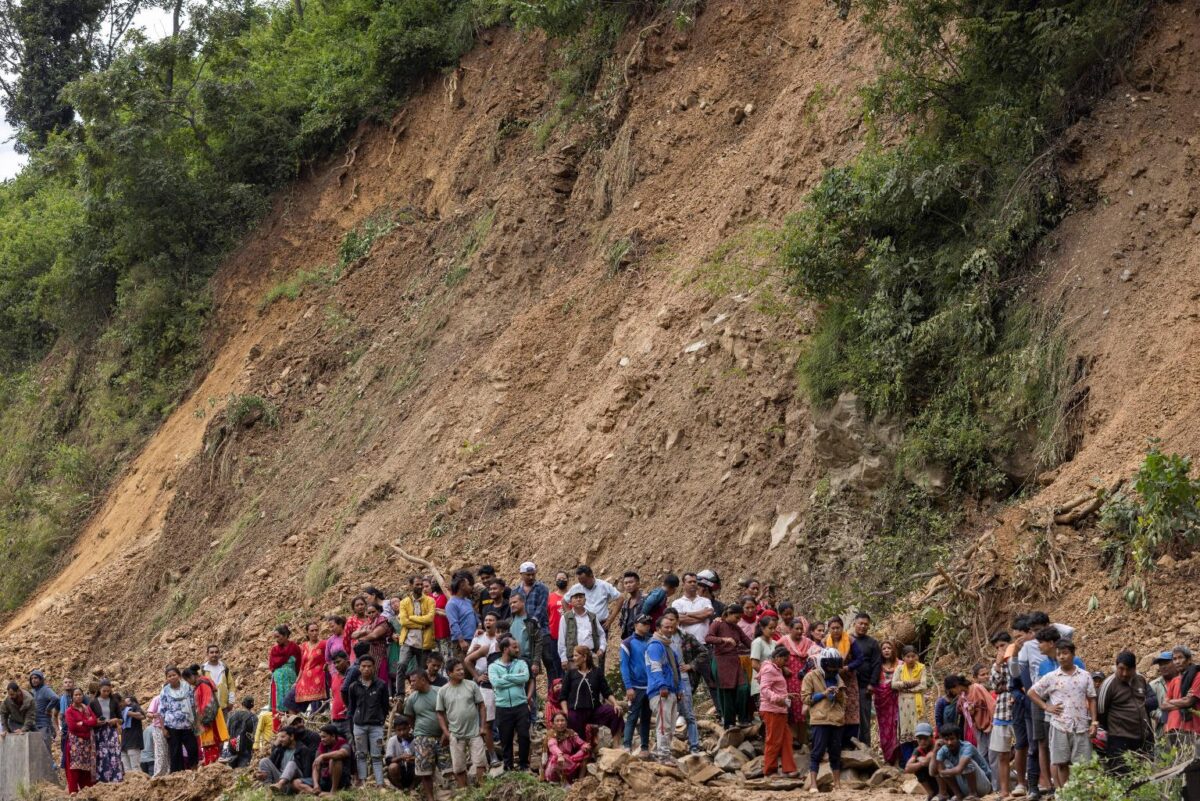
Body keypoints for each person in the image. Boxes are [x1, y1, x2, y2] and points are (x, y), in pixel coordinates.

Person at [1028, 639, 1096, 788]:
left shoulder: (1085, 675)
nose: (1061, 657)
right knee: (1062, 763)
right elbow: (1032, 692)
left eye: (1065, 653)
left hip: (1081, 726)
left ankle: (1081, 794)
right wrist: (1046, 706)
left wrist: (1094, 722)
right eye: (1058, 654)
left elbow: (1091, 699)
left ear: (1073, 654)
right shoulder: (1051, 677)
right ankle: (1067, 794)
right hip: (1060, 726)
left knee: (1082, 765)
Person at [1097, 650, 1156, 771]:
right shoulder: (1108, 684)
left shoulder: (1140, 680)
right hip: (1119, 739)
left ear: (1134, 668)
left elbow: (1152, 700)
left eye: (1128, 669)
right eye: (1121, 669)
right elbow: (1101, 712)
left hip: (1143, 737)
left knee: (1146, 774)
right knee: (1122, 775)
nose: (1124, 673)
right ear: (1116, 666)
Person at [436, 658, 487, 788]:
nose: (461, 672)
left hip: (475, 731)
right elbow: (440, 713)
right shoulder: (443, 691)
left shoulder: (471, 685)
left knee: (480, 762)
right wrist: (446, 733)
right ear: (449, 673)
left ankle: (483, 790)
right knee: (458, 767)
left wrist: (482, 726)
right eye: (458, 670)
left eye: (462, 669)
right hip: (456, 734)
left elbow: (481, 706)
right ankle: (464, 792)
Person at [802, 647, 846, 792]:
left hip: (836, 720)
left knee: (835, 753)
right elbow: (805, 699)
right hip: (820, 720)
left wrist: (838, 694)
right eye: (831, 668)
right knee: (817, 752)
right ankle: (813, 785)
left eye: (835, 668)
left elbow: (843, 701)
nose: (833, 670)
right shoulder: (811, 676)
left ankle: (837, 784)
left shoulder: (838, 678)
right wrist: (823, 694)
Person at [661, 608, 704, 754]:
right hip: (667, 680)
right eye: (667, 620)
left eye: (673, 620)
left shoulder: (686, 637)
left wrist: (691, 665)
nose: (670, 623)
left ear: (678, 621)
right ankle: (667, 747)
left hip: (684, 679)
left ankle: (694, 746)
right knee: (668, 714)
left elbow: (704, 652)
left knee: (689, 713)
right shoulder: (659, 639)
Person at [1162, 643, 1200, 801]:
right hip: (1173, 730)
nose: (1177, 662)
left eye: (1180, 658)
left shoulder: (1197, 676)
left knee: (1191, 770)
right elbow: (1163, 705)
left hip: (1191, 730)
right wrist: (1181, 701)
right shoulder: (1174, 681)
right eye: (1174, 658)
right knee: (1174, 768)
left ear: (1189, 659)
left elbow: (1190, 701)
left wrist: (1176, 703)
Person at [347, 654, 390, 787]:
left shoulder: (381, 685)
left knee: (376, 756)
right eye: (363, 666)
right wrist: (354, 723)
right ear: (359, 668)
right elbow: (352, 708)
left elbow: (385, 706)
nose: (366, 669)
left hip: (376, 726)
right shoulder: (353, 686)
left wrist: (380, 719)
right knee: (360, 755)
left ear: (374, 668)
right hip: (359, 726)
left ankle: (380, 784)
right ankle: (363, 784)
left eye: (369, 666)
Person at [706, 604, 753, 728]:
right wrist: (724, 639)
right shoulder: (717, 623)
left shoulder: (736, 628)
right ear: (729, 614)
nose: (738, 620)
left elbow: (748, 642)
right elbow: (708, 638)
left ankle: (743, 718)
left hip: (734, 661)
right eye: (736, 617)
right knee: (727, 693)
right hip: (721, 661)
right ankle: (729, 723)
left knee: (743, 688)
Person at [490, 634, 532, 771]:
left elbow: (525, 677)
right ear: (505, 649)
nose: (518, 650)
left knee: (524, 736)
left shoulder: (521, 663)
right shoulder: (493, 666)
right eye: (514, 647)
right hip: (503, 707)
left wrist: (506, 677)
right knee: (506, 739)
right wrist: (515, 679)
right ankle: (508, 767)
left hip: (521, 705)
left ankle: (524, 765)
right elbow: (496, 682)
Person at [560, 645, 622, 738]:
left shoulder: (597, 672)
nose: (573, 658)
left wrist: (615, 704)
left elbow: (606, 691)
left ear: (584, 657)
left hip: (594, 710)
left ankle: (616, 747)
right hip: (576, 712)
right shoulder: (570, 673)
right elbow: (563, 696)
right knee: (577, 736)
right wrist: (566, 712)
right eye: (573, 656)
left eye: (576, 656)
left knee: (615, 712)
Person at [645, 614, 682, 765]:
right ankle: (663, 756)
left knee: (671, 725)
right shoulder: (655, 645)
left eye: (672, 627)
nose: (669, 629)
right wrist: (662, 685)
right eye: (666, 627)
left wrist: (678, 688)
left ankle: (663, 752)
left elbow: (676, 670)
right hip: (660, 691)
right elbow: (655, 667)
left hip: (671, 690)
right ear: (658, 628)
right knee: (663, 725)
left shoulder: (668, 647)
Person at [760, 644, 799, 778]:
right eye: (784, 660)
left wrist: (786, 696)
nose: (786, 663)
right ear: (777, 657)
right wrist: (780, 699)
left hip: (780, 710)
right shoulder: (769, 669)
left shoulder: (777, 668)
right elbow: (764, 689)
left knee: (786, 739)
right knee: (773, 740)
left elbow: (776, 688)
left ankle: (788, 768)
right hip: (772, 710)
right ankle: (770, 770)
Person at [466, 611, 500, 765]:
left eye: (491, 620)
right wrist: (477, 677)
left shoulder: (504, 639)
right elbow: (468, 659)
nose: (488, 622)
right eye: (486, 620)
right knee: (487, 721)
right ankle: (491, 755)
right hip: (485, 682)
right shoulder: (479, 638)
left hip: (502, 683)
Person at [404, 670, 443, 801]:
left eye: (414, 681)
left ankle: (452, 795)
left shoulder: (439, 692)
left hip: (443, 736)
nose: (411, 684)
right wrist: (418, 730)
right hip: (422, 737)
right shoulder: (412, 698)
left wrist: (446, 732)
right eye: (410, 681)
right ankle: (430, 798)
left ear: (423, 680)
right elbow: (409, 717)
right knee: (424, 771)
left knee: (449, 769)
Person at [825, 616, 863, 745]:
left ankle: (850, 742)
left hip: (849, 680)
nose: (835, 630)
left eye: (838, 628)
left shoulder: (851, 641)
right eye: (833, 628)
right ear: (829, 629)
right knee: (835, 707)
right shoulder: (825, 642)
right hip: (832, 680)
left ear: (842, 628)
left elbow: (859, 659)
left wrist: (848, 667)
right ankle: (835, 742)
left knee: (851, 708)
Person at [620, 614, 653, 754]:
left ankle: (644, 747)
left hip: (651, 686)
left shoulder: (652, 641)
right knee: (632, 716)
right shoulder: (627, 643)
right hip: (636, 686)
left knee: (646, 717)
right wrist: (628, 687)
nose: (646, 625)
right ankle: (627, 746)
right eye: (643, 623)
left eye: (648, 623)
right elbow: (624, 666)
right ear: (635, 625)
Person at [514, 562, 553, 681]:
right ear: (521, 574)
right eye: (528, 575)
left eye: (533, 574)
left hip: (542, 630)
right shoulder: (515, 591)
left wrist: (532, 622)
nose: (531, 577)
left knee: (549, 661)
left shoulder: (542, 588)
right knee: (527, 664)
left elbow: (541, 608)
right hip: (523, 632)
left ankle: (554, 692)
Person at [183, 664, 229, 765]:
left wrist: (204, 720)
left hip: (210, 717)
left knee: (212, 741)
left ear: (192, 677)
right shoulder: (200, 685)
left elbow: (207, 702)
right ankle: (211, 762)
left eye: (187, 680)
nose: (188, 683)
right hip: (207, 716)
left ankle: (214, 763)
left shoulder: (203, 684)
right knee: (209, 743)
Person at [933, 724, 993, 800]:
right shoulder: (943, 750)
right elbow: (933, 772)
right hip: (964, 787)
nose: (949, 743)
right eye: (946, 739)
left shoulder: (967, 746)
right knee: (945, 764)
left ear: (958, 738)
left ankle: (973, 794)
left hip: (983, 785)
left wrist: (943, 771)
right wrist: (935, 751)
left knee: (967, 763)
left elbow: (959, 769)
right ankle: (958, 795)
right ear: (942, 739)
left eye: (952, 739)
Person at [397, 576, 437, 687]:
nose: (420, 587)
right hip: (408, 640)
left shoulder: (430, 600)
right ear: (411, 586)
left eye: (422, 585)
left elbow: (429, 619)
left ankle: (423, 691)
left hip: (424, 642)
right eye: (417, 584)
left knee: (422, 670)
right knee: (401, 665)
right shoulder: (404, 602)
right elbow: (404, 622)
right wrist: (421, 625)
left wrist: (412, 618)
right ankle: (400, 695)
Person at [781, 616, 815, 744]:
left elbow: (816, 653)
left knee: (804, 706)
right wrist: (783, 667)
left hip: (805, 679)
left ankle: (804, 741)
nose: (800, 631)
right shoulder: (784, 641)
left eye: (801, 629)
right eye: (797, 629)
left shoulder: (808, 642)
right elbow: (774, 656)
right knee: (792, 707)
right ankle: (792, 740)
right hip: (789, 679)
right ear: (790, 629)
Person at [159, 666, 199, 772]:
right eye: (169, 676)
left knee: (193, 748)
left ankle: (194, 769)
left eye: (174, 675)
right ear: (166, 678)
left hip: (187, 724)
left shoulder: (188, 688)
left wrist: (196, 722)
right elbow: (162, 710)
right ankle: (178, 775)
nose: (172, 677)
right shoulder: (164, 692)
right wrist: (163, 728)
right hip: (172, 726)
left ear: (179, 676)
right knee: (175, 752)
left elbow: (194, 705)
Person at [256, 725, 319, 792]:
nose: (280, 739)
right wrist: (260, 774)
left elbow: (306, 772)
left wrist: (301, 785)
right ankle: (269, 790)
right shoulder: (279, 749)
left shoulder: (303, 750)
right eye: (279, 737)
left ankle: (280, 785)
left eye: (283, 737)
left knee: (292, 763)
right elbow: (270, 764)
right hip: (279, 779)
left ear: (291, 737)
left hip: (294, 782)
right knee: (264, 761)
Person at [895, 645, 929, 767]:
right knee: (905, 731)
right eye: (907, 656)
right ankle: (908, 762)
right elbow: (894, 684)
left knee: (919, 730)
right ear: (903, 658)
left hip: (917, 702)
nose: (910, 659)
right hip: (903, 704)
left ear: (917, 656)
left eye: (913, 656)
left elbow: (923, 685)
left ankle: (920, 761)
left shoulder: (922, 668)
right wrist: (909, 683)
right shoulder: (899, 669)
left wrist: (906, 689)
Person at [852, 612, 882, 748]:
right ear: (854, 624)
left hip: (865, 687)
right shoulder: (847, 640)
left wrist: (872, 684)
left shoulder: (873, 643)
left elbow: (877, 664)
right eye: (861, 623)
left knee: (864, 719)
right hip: (849, 686)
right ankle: (850, 747)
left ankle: (866, 748)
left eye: (866, 624)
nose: (863, 626)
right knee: (850, 718)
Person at [558, 590, 607, 667]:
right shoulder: (565, 618)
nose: (578, 599)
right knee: (575, 679)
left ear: (585, 600)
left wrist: (601, 649)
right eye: (575, 597)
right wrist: (563, 658)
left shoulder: (592, 617)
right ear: (570, 601)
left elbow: (601, 634)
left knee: (593, 678)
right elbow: (561, 639)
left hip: (591, 657)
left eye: (581, 597)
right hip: (573, 659)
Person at [64, 687, 99, 794]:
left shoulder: (87, 708)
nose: (78, 696)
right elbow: (73, 727)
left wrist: (83, 723)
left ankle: (87, 792)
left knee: (86, 769)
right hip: (75, 745)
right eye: (76, 695)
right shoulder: (69, 711)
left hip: (87, 744)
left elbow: (94, 721)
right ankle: (73, 792)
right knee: (74, 769)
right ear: (72, 697)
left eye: (80, 694)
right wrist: (87, 724)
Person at [565, 565, 621, 630]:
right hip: (583, 626)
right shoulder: (577, 587)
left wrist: (611, 619)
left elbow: (620, 598)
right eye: (580, 582)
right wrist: (571, 617)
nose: (583, 584)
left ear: (591, 575)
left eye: (585, 581)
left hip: (601, 625)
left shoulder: (604, 585)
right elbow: (564, 601)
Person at [269, 626, 302, 732]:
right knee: (278, 705)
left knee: (291, 704)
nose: (276, 640)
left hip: (291, 681)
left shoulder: (294, 648)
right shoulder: (274, 649)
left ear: (285, 636)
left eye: (278, 637)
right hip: (278, 682)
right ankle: (279, 730)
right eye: (275, 637)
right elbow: (272, 666)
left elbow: (299, 665)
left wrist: (298, 680)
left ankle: (293, 728)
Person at [352, 603, 394, 690]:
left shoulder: (382, 621)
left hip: (380, 653)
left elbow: (374, 635)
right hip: (369, 653)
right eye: (369, 612)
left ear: (378, 611)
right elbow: (353, 635)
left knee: (381, 677)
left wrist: (361, 638)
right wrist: (362, 632)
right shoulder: (368, 623)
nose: (371, 614)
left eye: (373, 612)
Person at [544, 711, 590, 784]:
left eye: (562, 720)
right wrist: (559, 755)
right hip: (556, 759)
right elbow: (552, 745)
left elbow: (581, 743)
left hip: (569, 759)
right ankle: (558, 781)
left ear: (566, 722)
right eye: (557, 721)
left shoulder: (570, 733)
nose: (560, 723)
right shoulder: (551, 734)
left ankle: (580, 779)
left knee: (586, 752)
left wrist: (585, 746)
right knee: (555, 759)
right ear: (553, 723)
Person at [873, 640, 900, 765]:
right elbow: (874, 684)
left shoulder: (901, 665)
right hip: (882, 703)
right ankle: (888, 758)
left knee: (897, 727)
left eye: (889, 648)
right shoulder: (877, 666)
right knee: (885, 730)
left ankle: (899, 758)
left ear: (893, 650)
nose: (886, 650)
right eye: (884, 648)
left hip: (898, 701)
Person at [293, 623, 327, 713]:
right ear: (307, 632)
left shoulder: (323, 644)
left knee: (317, 710)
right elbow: (302, 666)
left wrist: (327, 666)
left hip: (318, 681)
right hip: (304, 681)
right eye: (312, 631)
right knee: (289, 702)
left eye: (316, 630)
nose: (315, 633)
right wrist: (296, 681)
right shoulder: (304, 646)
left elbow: (329, 658)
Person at [750, 612, 780, 707]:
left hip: (774, 683)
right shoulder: (757, 642)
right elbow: (754, 664)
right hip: (761, 683)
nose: (773, 630)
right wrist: (766, 676)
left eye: (774, 628)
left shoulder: (774, 643)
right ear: (762, 628)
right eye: (770, 628)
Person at [312, 724, 351, 793]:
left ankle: (333, 792)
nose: (322, 739)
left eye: (324, 737)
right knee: (296, 782)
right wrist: (316, 784)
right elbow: (315, 765)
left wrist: (323, 756)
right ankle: (319, 791)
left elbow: (343, 753)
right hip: (324, 780)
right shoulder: (321, 746)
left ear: (333, 736)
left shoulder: (343, 743)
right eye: (321, 737)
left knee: (334, 759)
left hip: (341, 780)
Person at [27, 670, 59, 755]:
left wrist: (48, 709)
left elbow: (55, 698)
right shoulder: (33, 691)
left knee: (45, 749)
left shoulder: (45, 689)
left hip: (44, 724)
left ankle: (49, 767)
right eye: (32, 678)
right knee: (36, 750)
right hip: (34, 725)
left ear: (41, 679)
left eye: (36, 678)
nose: (34, 680)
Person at [904, 722, 939, 800]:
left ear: (931, 737)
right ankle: (931, 793)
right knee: (918, 769)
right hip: (932, 778)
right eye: (920, 739)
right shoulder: (918, 749)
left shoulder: (937, 745)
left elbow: (929, 759)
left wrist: (923, 760)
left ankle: (943, 793)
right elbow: (907, 768)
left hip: (944, 778)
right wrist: (921, 762)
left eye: (925, 738)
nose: (922, 741)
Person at [447, 574, 479, 661]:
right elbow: (454, 623)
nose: (471, 587)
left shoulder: (468, 601)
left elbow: (474, 617)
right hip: (462, 642)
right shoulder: (452, 603)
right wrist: (461, 641)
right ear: (462, 585)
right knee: (463, 668)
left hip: (473, 640)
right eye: (468, 584)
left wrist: (479, 626)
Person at [201, 644, 236, 716]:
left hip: (223, 707)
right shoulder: (203, 670)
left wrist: (231, 701)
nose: (214, 654)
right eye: (212, 652)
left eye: (216, 652)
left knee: (224, 727)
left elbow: (231, 686)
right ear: (207, 654)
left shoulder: (224, 668)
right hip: (208, 708)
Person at [224, 696, 259, 769]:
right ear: (252, 706)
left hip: (232, 746)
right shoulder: (254, 717)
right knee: (242, 772)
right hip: (246, 747)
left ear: (242, 704)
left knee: (230, 771)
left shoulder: (232, 715)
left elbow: (227, 730)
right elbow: (255, 733)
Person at [1148, 650, 1175, 743]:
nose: (1163, 667)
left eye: (1166, 663)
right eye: (1160, 664)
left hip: (1185, 728)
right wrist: (1163, 716)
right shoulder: (1154, 685)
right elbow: (1149, 708)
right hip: (1163, 730)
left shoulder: (1185, 681)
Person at [385, 714, 417, 790]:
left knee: (422, 766)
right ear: (395, 730)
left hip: (412, 770)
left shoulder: (415, 740)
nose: (402, 732)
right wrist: (401, 757)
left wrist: (412, 758)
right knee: (393, 767)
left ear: (409, 728)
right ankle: (400, 788)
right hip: (400, 771)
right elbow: (388, 760)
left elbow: (421, 757)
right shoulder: (392, 740)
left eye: (404, 729)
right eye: (399, 730)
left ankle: (412, 788)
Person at [425, 578, 452, 662]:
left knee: (447, 658)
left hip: (445, 632)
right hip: (433, 634)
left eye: (437, 581)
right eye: (432, 582)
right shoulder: (429, 597)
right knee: (436, 660)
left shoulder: (448, 595)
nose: (434, 583)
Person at [119, 693, 144, 773]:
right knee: (127, 770)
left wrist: (127, 713)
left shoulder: (133, 706)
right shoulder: (119, 710)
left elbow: (142, 716)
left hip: (133, 741)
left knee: (135, 768)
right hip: (124, 743)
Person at [616, 571, 644, 640]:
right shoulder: (626, 603)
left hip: (642, 639)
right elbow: (622, 621)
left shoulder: (645, 601)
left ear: (638, 583)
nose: (628, 585)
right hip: (628, 640)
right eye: (626, 583)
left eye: (631, 582)